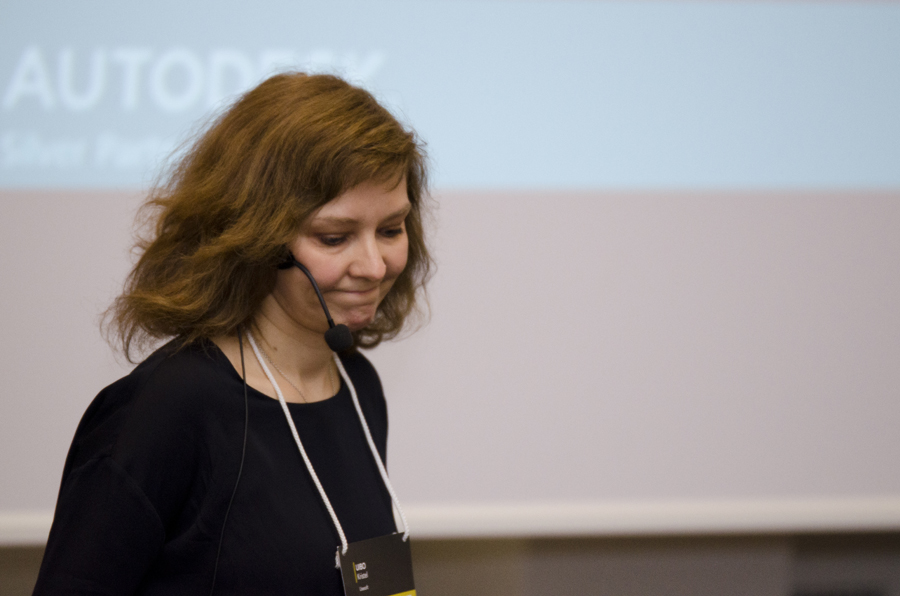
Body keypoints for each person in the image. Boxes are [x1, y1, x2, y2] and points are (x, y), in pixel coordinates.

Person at [33, 72, 432, 595]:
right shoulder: (167, 408)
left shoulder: (357, 387)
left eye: (391, 230)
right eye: (335, 237)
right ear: (258, 237)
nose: (375, 266)